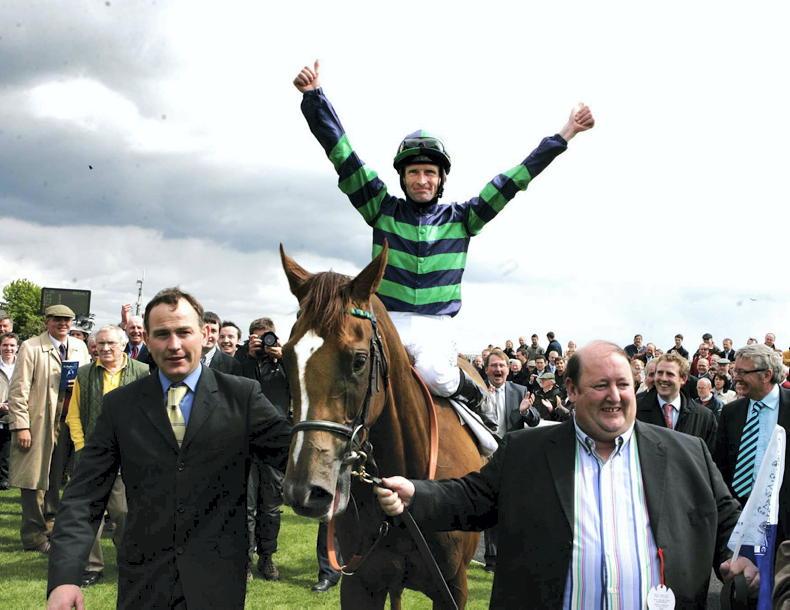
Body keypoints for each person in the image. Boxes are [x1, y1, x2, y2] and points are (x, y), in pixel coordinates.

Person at [293, 59, 593, 428]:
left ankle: (476, 399)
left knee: (435, 373)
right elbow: (343, 156)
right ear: (403, 178)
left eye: (429, 173)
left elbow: (514, 180)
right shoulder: (381, 208)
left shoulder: (464, 218)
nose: (422, 180)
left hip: (435, 327)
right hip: (386, 319)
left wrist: (565, 134)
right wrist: (314, 98)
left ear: (440, 179)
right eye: (414, 172)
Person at [374, 341, 756, 608]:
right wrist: (416, 494)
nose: (614, 396)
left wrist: (741, 555)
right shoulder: (525, 451)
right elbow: (471, 498)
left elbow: (727, 519)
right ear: (571, 390)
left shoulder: (686, 453)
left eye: (623, 384)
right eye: (600, 385)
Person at [46, 288, 292, 610]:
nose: (174, 345)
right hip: (144, 582)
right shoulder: (121, 405)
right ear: (147, 340)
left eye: (184, 332)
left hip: (217, 581)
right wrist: (64, 579)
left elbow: (295, 457)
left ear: (204, 335)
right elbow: (83, 496)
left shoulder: (242, 397)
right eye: (162, 334)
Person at [64, 324, 150, 587]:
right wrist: (82, 448)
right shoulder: (84, 373)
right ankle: (92, 566)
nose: (105, 348)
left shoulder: (142, 371)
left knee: (123, 513)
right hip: (92, 455)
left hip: (128, 456)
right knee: (90, 513)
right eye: (100, 343)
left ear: (123, 345)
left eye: (110, 343)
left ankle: (128, 559)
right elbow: (73, 416)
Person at [7, 304, 91, 553]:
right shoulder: (31, 347)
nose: (63, 324)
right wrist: (21, 426)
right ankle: (33, 536)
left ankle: (52, 526)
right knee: (33, 481)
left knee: (56, 479)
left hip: (68, 423)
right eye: (57, 319)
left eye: (67, 320)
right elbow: (18, 390)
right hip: (38, 423)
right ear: (47, 321)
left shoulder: (80, 347)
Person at [714, 344, 790, 542]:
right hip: (740, 518)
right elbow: (721, 465)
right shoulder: (730, 412)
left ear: (766, 375)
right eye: (735, 371)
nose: (735, 377)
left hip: (784, 521)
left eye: (742, 372)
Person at [234, 317, 290, 581]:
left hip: (275, 442)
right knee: (245, 506)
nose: (264, 342)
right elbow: (234, 388)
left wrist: (283, 357)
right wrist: (249, 356)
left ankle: (267, 557)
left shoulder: (285, 361)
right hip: (244, 441)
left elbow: (299, 384)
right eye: (258, 337)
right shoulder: (241, 360)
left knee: (271, 506)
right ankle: (244, 560)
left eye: (268, 336)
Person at [636, 352, 717, 453]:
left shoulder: (704, 417)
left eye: (670, 374)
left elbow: (709, 456)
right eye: (660, 373)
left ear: (683, 379)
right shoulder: (635, 411)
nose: (663, 378)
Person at [0, 331, 19, 490]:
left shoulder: (23, 365)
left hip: (16, 413)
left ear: (17, 347)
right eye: (5, 345)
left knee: (9, 449)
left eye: (12, 345)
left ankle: (6, 479)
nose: (8, 348)